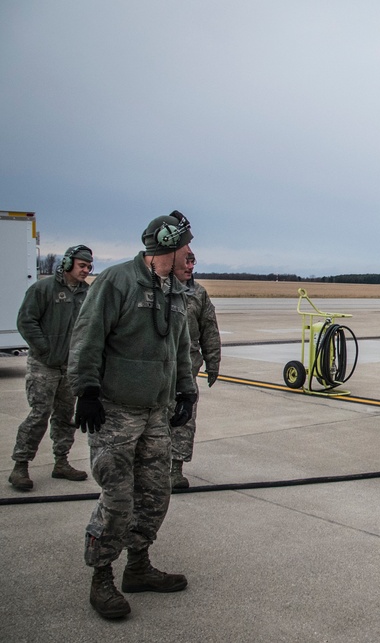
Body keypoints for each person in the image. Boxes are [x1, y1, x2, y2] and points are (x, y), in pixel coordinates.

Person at [69, 211, 198, 620]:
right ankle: (102, 576)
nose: (191, 254)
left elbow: (179, 344)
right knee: (118, 498)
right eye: (185, 246)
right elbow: (87, 335)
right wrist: (85, 390)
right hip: (116, 411)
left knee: (156, 494)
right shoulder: (117, 281)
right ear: (165, 247)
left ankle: (138, 566)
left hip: (155, 413)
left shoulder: (175, 290)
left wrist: (186, 391)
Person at [8, 245, 94, 491]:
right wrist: (44, 349)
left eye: (89, 266)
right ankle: (20, 465)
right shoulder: (43, 289)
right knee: (39, 415)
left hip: (71, 367)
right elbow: (26, 320)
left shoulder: (87, 294)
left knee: (65, 417)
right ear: (67, 264)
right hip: (43, 365)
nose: (86, 270)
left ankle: (61, 462)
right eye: (82, 265)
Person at [169, 249, 222, 491]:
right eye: (186, 261)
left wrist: (213, 363)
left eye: (193, 262)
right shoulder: (158, 289)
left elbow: (209, 328)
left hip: (187, 370)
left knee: (184, 420)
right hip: (157, 369)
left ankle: (175, 469)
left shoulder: (198, 294)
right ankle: (150, 467)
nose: (190, 266)